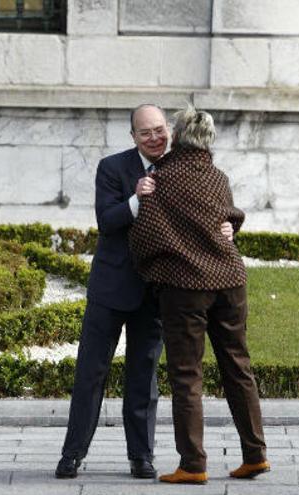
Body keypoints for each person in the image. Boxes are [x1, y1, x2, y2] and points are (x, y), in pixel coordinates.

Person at [129, 104, 269, 485]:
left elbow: (144, 239)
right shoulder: (219, 177)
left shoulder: (160, 178)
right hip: (231, 282)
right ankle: (255, 455)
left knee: (187, 376)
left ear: (176, 136)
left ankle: (193, 464)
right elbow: (230, 218)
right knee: (238, 367)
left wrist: (154, 269)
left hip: (185, 289)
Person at [54, 104, 169, 480]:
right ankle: (72, 454)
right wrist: (136, 199)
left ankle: (142, 456)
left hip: (154, 291)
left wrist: (228, 227)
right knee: (90, 373)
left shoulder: (180, 168)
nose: (154, 138)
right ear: (133, 137)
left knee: (144, 377)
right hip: (111, 287)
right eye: (145, 132)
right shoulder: (112, 167)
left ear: (169, 129)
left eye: (159, 129)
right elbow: (106, 221)